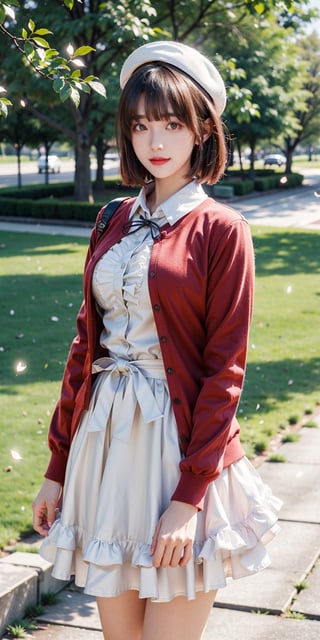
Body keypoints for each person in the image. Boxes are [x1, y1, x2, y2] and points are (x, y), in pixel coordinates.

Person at [32, 41, 281, 640]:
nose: (156, 141)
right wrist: (57, 466)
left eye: (172, 123)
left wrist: (187, 499)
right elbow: (84, 347)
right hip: (106, 448)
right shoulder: (111, 219)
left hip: (180, 452)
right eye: (141, 125)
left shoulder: (222, 230)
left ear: (201, 129)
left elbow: (225, 372)